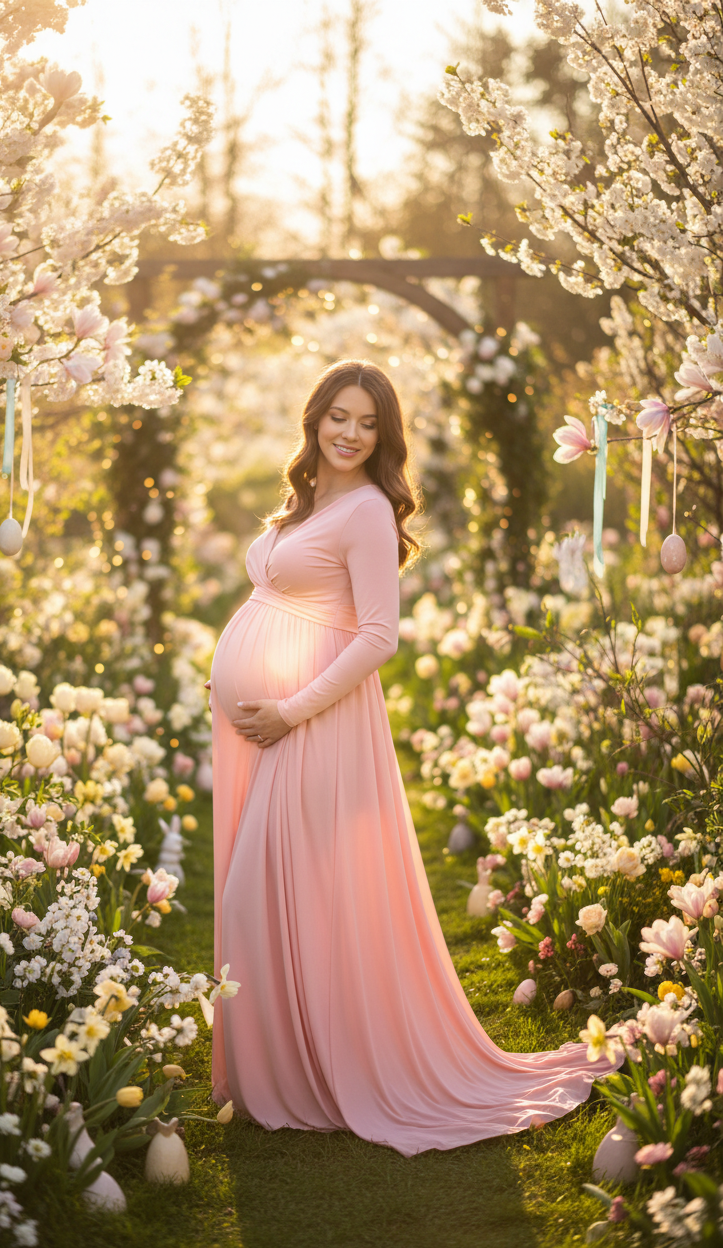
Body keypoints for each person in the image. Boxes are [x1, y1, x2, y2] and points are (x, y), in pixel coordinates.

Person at [206, 358, 619, 1157]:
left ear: (384, 435)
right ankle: (292, 1066)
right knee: (272, 894)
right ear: (314, 418)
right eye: (339, 416)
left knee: (269, 891)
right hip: (278, 726)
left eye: (368, 422)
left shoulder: (363, 510)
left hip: (314, 727)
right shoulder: (308, 501)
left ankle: (322, 1071)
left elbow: (379, 636)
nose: (351, 433)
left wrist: (289, 710)